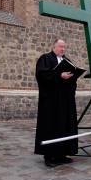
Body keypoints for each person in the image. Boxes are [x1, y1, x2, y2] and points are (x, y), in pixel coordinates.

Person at [34, 39, 79, 167]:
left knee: (64, 126)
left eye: (64, 47)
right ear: (54, 46)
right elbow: (42, 75)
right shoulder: (45, 58)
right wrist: (59, 75)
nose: (62, 49)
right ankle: (49, 156)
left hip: (65, 101)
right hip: (51, 101)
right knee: (51, 127)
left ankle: (62, 154)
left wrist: (73, 76)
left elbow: (73, 78)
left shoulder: (68, 61)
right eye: (60, 46)